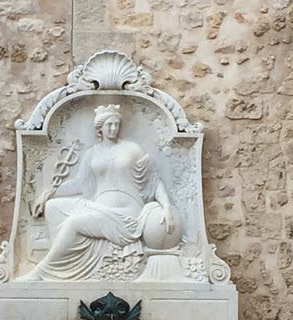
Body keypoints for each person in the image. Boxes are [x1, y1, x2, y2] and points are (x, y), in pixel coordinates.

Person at [17, 104, 178, 281]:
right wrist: (47, 194)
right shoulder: (92, 154)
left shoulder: (132, 149)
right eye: (109, 124)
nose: (113, 128)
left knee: (73, 223)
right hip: (98, 207)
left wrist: (167, 206)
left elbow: (154, 181)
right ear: (100, 128)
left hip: (126, 214)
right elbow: (79, 184)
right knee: (53, 207)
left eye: (116, 124)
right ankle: (64, 262)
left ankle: (42, 271)